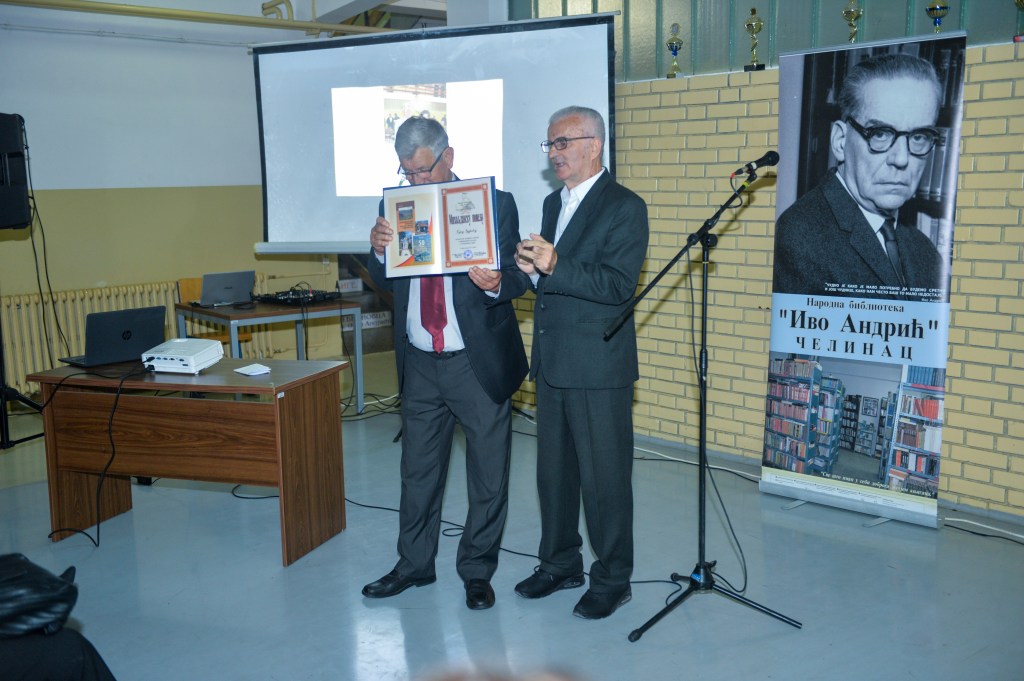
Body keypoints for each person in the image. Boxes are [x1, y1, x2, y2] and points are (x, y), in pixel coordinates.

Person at [362, 116, 530, 611]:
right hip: (420, 361)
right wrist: (377, 251)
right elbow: (385, 278)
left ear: (448, 156)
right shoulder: (394, 206)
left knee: (487, 475)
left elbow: (519, 278)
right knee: (417, 472)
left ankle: (477, 571)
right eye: (407, 172)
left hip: (474, 362)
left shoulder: (494, 205)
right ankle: (414, 565)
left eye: (423, 170)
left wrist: (496, 283)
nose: (415, 180)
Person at [513, 106, 649, 619]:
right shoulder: (555, 203)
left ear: (594, 145)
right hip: (553, 362)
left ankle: (613, 579)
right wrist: (531, 271)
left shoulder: (625, 206)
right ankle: (560, 563)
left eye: (563, 143)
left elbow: (617, 286)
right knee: (554, 476)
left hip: (598, 366)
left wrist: (555, 263)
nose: (554, 153)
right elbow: (556, 283)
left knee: (604, 481)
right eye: (550, 144)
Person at [772, 52, 948, 300]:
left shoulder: (923, 249)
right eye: (880, 134)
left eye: (919, 137)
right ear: (840, 141)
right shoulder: (799, 237)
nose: (901, 159)